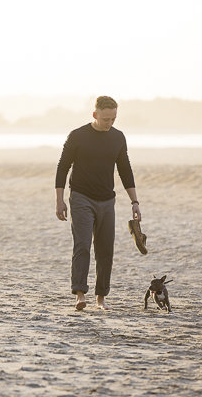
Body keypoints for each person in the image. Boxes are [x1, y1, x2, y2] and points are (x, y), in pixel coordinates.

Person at [55, 96, 141, 311]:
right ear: (95, 115)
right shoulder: (77, 136)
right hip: (81, 197)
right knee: (82, 245)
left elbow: (125, 169)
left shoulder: (118, 138)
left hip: (107, 200)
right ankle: (80, 294)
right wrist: (59, 200)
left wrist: (135, 201)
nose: (109, 123)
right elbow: (62, 168)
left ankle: (101, 298)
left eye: (113, 119)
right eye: (105, 119)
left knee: (105, 250)